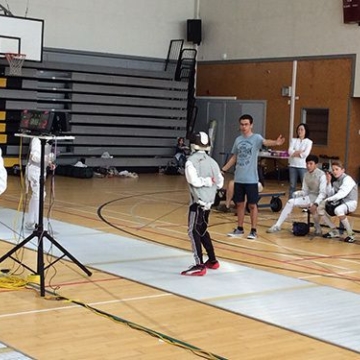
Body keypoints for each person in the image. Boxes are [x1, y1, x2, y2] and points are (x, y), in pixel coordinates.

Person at [221, 114, 285, 239]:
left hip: (251, 179)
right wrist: (224, 169)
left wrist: (276, 143)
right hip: (239, 178)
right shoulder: (238, 140)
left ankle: (253, 230)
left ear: (251, 125)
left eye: (246, 124)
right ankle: (239, 228)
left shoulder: (256, 138)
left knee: (252, 205)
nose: (243, 127)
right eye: (242, 124)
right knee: (239, 204)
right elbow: (235, 157)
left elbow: (265, 141)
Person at [181, 131, 224, 276]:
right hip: (209, 204)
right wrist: (209, 183)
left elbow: (193, 181)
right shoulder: (213, 162)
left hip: (197, 203)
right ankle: (212, 260)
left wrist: (205, 181)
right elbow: (220, 183)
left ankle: (199, 264)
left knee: (193, 231)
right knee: (202, 230)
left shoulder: (190, 162)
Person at [266, 154, 326, 235]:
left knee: (313, 207)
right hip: (310, 197)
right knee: (290, 202)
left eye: (311, 164)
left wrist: (316, 203)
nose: (308, 166)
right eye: (307, 164)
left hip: (320, 199)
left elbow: (323, 193)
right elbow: (305, 191)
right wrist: (298, 193)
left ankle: (317, 227)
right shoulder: (306, 175)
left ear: (316, 164)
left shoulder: (322, 175)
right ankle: (277, 225)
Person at [318, 161, 358, 243]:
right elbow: (330, 194)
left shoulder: (347, 179)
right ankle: (334, 231)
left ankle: (351, 234)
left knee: (338, 210)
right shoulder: (335, 181)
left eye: (337, 169)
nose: (335, 171)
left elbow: (341, 194)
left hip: (351, 202)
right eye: (333, 170)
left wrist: (327, 200)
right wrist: (328, 182)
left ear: (342, 170)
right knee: (320, 208)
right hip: (340, 202)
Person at [25, 137, 55, 230]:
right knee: (39, 194)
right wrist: (47, 158)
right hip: (34, 169)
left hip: (42, 170)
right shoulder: (36, 140)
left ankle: (30, 222)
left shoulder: (48, 141)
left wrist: (49, 162)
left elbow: (45, 157)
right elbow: (34, 156)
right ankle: (39, 224)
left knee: (37, 195)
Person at [288, 123, 313, 198]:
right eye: (298, 129)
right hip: (292, 165)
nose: (300, 131)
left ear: (305, 131)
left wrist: (295, 152)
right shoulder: (293, 140)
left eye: (302, 129)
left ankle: (305, 202)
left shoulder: (309, 142)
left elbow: (305, 154)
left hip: (302, 166)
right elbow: (289, 152)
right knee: (292, 185)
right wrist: (299, 152)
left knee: (304, 185)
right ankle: (290, 202)